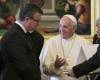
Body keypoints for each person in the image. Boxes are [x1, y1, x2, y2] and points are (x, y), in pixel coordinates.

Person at [40, 14, 91, 80]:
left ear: (74, 29)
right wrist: (55, 66)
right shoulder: (50, 43)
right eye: (60, 26)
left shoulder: (85, 43)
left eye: (65, 27)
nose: (61, 29)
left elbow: (91, 69)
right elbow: (43, 70)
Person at [1, 3, 43, 80]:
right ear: (27, 19)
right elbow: (22, 65)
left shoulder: (20, 33)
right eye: (37, 21)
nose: (39, 24)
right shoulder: (14, 35)